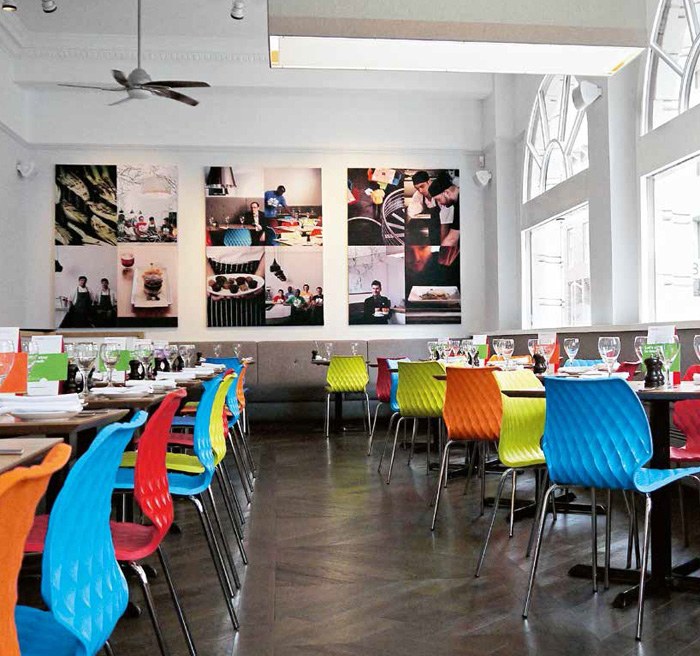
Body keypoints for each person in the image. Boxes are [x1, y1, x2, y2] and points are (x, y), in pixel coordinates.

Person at [428, 171, 460, 265]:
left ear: (446, 192)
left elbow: (452, 238)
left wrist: (441, 262)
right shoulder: (457, 203)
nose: (440, 203)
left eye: (438, 199)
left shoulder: (461, 204)